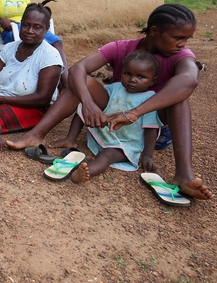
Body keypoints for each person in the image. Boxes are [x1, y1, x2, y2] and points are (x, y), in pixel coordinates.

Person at [6, 4, 214, 201]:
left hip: (151, 127)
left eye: (186, 39)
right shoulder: (122, 47)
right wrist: (88, 103)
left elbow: (189, 81)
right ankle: (36, 135)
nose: (183, 44)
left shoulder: (182, 56)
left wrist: (135, 113)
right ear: (154, 32)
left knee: (180, 99)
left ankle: (184, 175)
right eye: (178, 38)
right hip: (112, 122)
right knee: (82, 82)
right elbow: (78, 69)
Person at [57, 50, 162, 184]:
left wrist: (147, 155)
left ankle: (86, 171)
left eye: (141, 77)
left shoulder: (150, 100)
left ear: (153, 81)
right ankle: (70, 138)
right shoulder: (115, 88)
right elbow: (95, 106)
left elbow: (151, 130)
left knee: (106, 156)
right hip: (104, 133)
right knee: (85, 108)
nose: (132, 80)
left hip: (124, 145)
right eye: (127, 74)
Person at [0, 4, 64, 134]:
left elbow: (43, 98)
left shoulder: (50, 56)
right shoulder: (9, 48)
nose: (30, 31)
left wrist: (3, 99)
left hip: (33, 107)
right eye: (26, 25)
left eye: (37, 27)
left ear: (46, 29)